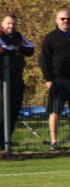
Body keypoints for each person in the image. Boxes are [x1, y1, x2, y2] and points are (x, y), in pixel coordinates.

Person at [38, 10, 70, 150]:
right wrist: (48, 79)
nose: (65, 21)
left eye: (68, 18)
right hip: (58, 80)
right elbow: (44, 59)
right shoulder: (50, 38)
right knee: (55, 110)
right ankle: (54, 141)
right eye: (62, 18)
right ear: (56, 20)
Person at [0, 14, 34, 152]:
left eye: (13, 24)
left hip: (16, 80)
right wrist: (15, 48)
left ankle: (6, 143)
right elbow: (2, 49)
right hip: (2, 81)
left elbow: (30, 49)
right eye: (9, 23)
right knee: (1, 113)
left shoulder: (18, 35)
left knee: (13, 112)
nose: (11, 26)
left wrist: (15, 48)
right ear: (2, 24)